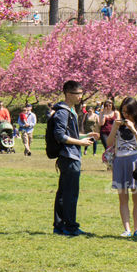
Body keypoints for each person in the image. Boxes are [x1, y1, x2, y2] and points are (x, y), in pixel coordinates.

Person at [49, 80, 95, 236]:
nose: (81, 96)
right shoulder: (63, 112)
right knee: (70, 193)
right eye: (78, 93)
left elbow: (70, 134)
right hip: (69, 156)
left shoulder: (70, 110)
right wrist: (81, 142)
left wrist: (86, 135)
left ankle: (60, 226)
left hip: (69, 156)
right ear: (68, 94)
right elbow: (60, 136)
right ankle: (70, 227)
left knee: (63, 192)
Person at [108, 97, 137, 237]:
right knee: (123, 198)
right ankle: (127, 229)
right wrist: (115, 128)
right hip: (120, 161)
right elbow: (109, 143)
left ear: (135, 111)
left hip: (135, 160)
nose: (125, 115)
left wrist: (133, 129)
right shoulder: (118, 125)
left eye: (128, 112)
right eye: (123, 112)